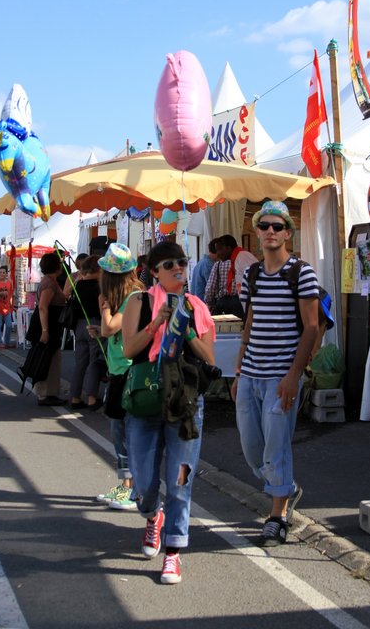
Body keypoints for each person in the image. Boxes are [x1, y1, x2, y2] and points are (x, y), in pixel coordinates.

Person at [122, 241, 215, 585]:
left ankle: (174, 552)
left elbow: (209, 358)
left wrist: (187, 329)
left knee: (179, 481)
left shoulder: (196, 305)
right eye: (170, 264)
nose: (179, 267)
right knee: (143, 479)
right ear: (156, 271)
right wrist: (156, 324)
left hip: (186, 401)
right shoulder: (139, 301)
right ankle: (152, 515)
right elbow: (129, 348)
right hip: (147, 398)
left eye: (183, 262)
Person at [232, 201, 319, 547]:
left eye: (277, 227)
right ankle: (287, 487)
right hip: (250, 374)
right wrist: (239, 371)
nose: (270, 231)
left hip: (280, 377)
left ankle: (278, 515)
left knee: (276, 447)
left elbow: (311, 328)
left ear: (288, 233)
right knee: (253, 450)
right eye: (264, 226)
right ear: (256, 232)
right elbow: (248, 326)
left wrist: (293, 375)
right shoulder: (251, 275)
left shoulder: (302, 272)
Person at [97, 243, 144, 510]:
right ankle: (127, 484)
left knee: (125, 432)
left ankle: (131, 487)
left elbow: (110, 327)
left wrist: (104, 308)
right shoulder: (128, 296)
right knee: (120, 431)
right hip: (119, 370)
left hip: (129, 371)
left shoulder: (134, 296)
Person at [69, 255, 107, 409]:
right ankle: (91, 397)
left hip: (79, 326)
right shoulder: (100, 286)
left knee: (80, 363)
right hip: (95, 324)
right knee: (94, 362)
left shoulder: (78, 285)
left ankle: (74, 396)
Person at [32, 252, 68, 407]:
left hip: (51, 325)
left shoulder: (49, 281)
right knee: (48, 360)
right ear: (56, 267)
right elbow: (43, 307)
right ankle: (45, 393)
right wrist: (45, 330)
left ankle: (49, 392)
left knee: (52, 359)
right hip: (48, 325)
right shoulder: (49, 283)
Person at [210, 234, 258, 319]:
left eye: (219, 250)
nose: (217, 254)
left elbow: (254, 283)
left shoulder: (242, 257)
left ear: (228, 248)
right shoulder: (237, 258)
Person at [0, 265, 14, 348]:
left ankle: (6, 342)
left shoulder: (10, 282)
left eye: (3, 272)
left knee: (8, 325)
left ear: (6, 274)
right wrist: (0, 293)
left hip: (7, 306)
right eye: (0, 272)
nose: (2, 274)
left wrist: (12, 305)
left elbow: (11, 295)